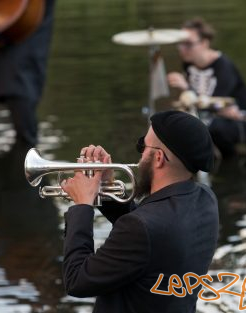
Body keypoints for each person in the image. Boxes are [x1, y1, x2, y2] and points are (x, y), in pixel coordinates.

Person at [60, 111, 219, 313]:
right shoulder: (206, 200)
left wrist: (82, 205)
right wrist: (106, 189)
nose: (140, 153)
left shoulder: (142, 228)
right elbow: (149, 239)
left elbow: (76, 280)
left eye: (142, 146)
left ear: (159, 157)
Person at [167, 17, 246, 157]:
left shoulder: (223, 65)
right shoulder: (188, 64)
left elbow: (214, 103)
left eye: (188, 44)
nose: (183, 49)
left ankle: (228, 160)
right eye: (181, 44)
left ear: (204, 43)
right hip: (218, 115)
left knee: (210, 127)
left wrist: (186, 87)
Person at [0, 0, 56, 148]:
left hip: (25, 12)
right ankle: (24, 148)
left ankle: (29, 151)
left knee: (19, 81)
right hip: (4, 15)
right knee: (9, 76)